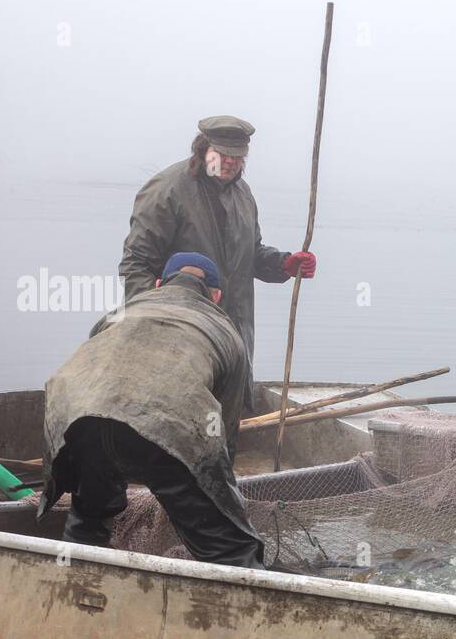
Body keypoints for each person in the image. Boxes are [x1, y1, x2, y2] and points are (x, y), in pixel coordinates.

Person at [39, 252, 266, 568]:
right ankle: (245, 605)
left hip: (75, 417)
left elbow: (98, 377)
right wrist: (224, 503)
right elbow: (221, 433)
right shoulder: (224, 330)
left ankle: (74, 588)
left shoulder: (119, 312)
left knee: (89, 519)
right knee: (229, 550)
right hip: (164, 424)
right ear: (216, 296)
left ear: (159, 284)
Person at [119, 115, 318, 396]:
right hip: (180, 333)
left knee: (228, 418)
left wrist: (284, 264)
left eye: (237, 157)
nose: (230, 162)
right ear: (203, 149)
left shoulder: (243, 195)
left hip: (234, 335)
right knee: (182, 406)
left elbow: (250, 254)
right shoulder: (167, 190)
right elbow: (135, 264)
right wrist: (155, 317)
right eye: (222, 154)